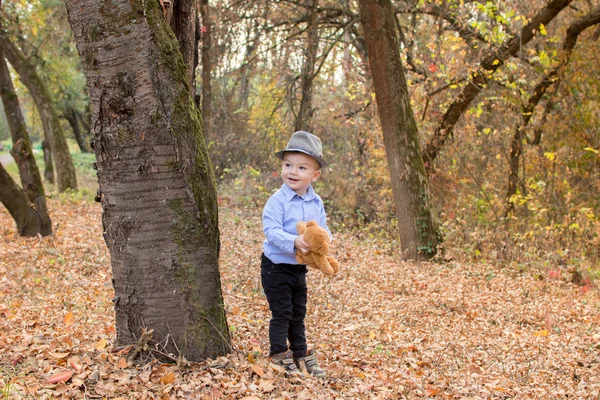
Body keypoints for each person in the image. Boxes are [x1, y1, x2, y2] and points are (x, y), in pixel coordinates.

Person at [261, 130, 331, 378]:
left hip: (298, 269)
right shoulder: (277, 201)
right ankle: (279, 354)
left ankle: (300, 352)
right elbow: (271, 230)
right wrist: (295, 241)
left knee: (298, 313)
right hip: (275, 266)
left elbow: (322, 230)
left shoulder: (316, 202)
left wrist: (323, 244)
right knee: (282, 312)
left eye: (302, 168)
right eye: (288, 165)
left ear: (315, 175)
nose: (293, 171)